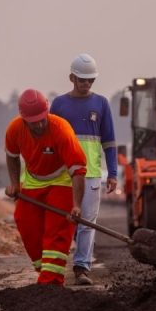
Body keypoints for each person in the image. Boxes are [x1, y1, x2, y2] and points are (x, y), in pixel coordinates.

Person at [4, 88, 87, 286]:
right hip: (33, 178)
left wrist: (76, 205)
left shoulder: (61, 130)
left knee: (57, 227)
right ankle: (46, 269)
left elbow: (78, 171)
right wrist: (15, 184)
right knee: (24, 220)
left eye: (43, 118)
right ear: (24, 119)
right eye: (34, 122)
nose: (40, 124)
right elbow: (11, 156)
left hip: (62, 180)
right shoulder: (14, 129)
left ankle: (51, 281)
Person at [50, 53, 117, 286]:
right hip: (64, 174)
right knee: (65, 222)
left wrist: (114, 174)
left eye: (90, 80)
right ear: (71, 77)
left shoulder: (101, 104)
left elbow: (109, 142)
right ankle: (55, 267)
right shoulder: (59, 104)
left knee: (88, 221)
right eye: (82, 79)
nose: (86, 84)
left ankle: (82, 267)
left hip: (91, 175)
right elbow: (50, 141)